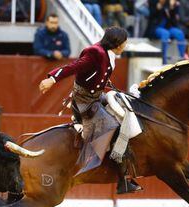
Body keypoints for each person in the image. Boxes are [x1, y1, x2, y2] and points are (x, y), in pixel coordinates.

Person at [39, 27, 141, 194]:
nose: (126, 45)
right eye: (124, 42)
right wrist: (52, 78)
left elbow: (97, 76)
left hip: (95, 96)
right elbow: (73, 67)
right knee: (112, 126)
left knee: (123, 110)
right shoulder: (95, 52)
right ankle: (120, 179)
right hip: (85, 101)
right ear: (116, 44)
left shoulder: (108, 53)